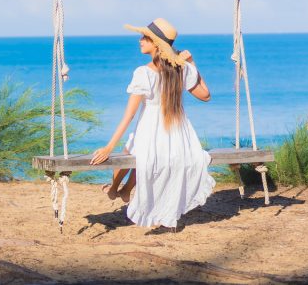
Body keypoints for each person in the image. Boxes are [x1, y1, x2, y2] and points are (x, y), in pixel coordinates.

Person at [89, 18, 215, 229]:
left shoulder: (144, 73)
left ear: (156, 44)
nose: (140, 40)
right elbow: (206, 95)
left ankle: (114, 189)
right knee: (145, 154)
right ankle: (122, 190)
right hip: (177, 134)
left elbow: (128, 116)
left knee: (132, 149)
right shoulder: (181, 69)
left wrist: (108, 146)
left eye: (145, 38)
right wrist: (191, 63)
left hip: (152, 129)